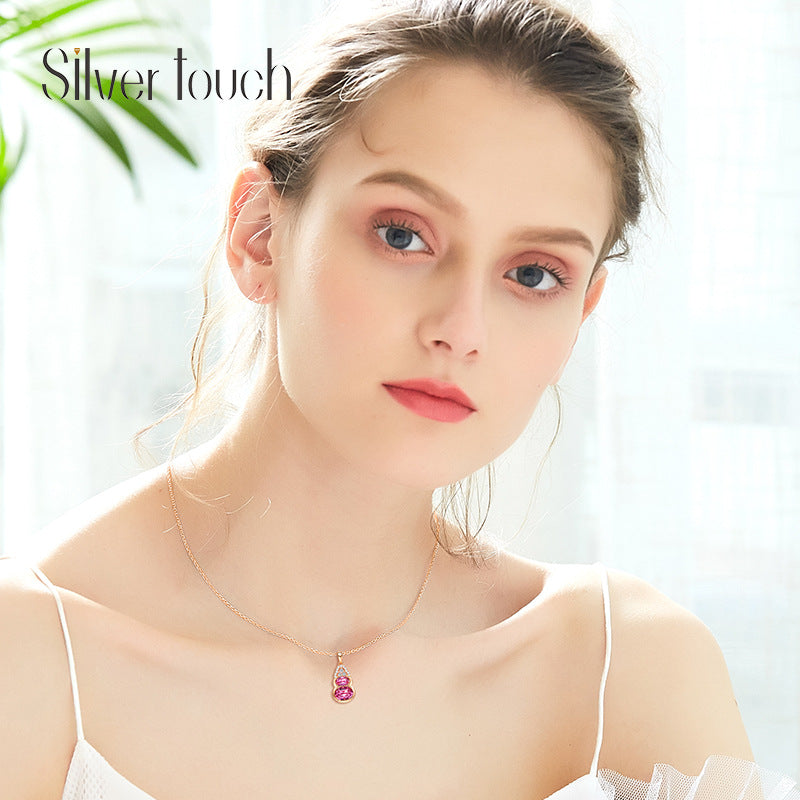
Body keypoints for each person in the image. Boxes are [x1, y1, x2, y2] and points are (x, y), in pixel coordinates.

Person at [0, 0, 796, 798]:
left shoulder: (625, 670)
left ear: (583, 310)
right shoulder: (33, 655)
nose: (461, 329)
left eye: (533, 275)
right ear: (259, 234)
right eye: (403, 235)